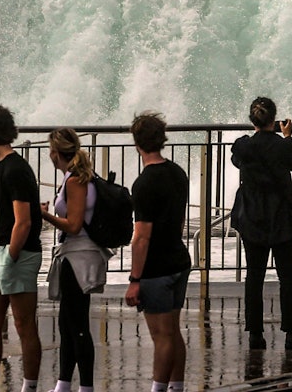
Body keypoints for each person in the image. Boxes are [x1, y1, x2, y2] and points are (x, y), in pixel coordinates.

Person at [230, 97, 292, 351]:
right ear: (275, 121)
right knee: (287, 276)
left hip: (252, 216)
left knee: (254, 277)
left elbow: (237, 160)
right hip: (281, 216)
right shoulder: (282, 146)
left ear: (252, 120)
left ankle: (255, 335)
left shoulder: (243, 147)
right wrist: (288, 137)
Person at [0, 104, 42, 392]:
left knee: (23, 324)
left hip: (18, 253)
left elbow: (23, 221)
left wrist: (11, 255)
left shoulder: (15, 168)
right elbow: (1, 211)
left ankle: (30, 386)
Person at [37, 128, 108, 392]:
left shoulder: (75, 181)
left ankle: (86, 386)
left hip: (80, 255)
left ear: (54, 153)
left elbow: (75, 224)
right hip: (73, 254)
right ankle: (63, 383)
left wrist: (44, 216)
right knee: (67, 321)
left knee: (77, 323)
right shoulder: (73, 177)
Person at [125, 112, 191, 392]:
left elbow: (141, 238)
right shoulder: (178, 173)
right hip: (179, 260)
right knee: (174, 333)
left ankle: (158, 389)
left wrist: (134, 279)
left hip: (156, 269)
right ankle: (176, 387)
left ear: (137, 143)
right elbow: (177, 222)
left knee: (161, 337)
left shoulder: (144, 184)